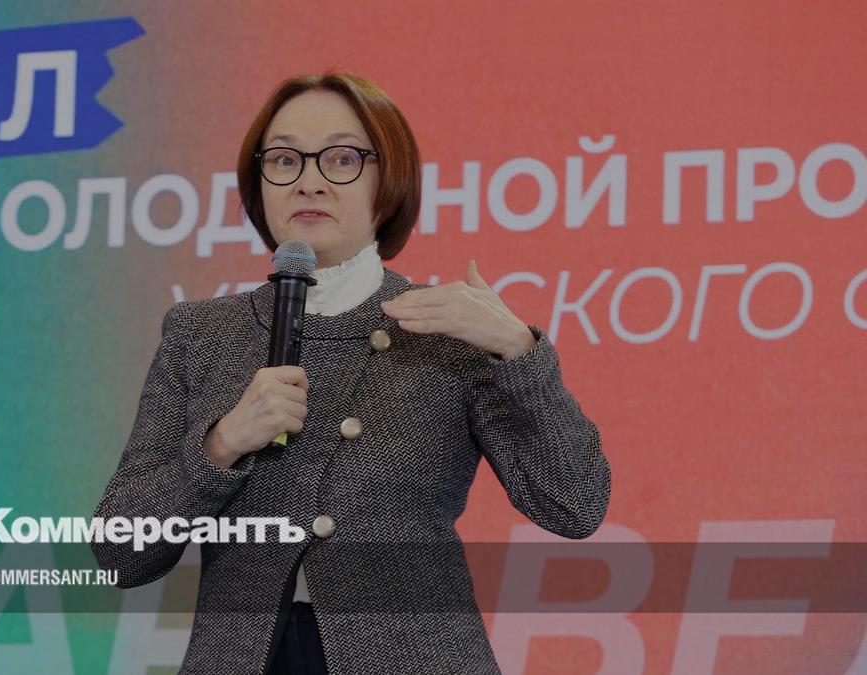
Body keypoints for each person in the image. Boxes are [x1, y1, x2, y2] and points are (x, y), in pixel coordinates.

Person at [91, 71, 611, 675]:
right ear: (259, 186)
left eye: (341, 159)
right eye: (284, 159)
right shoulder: (201, 333)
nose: (308, 180)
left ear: (389, 184)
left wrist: (521, 354)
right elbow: (119, 552)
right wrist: (222, 444)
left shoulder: (448, 328)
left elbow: (575, 505)